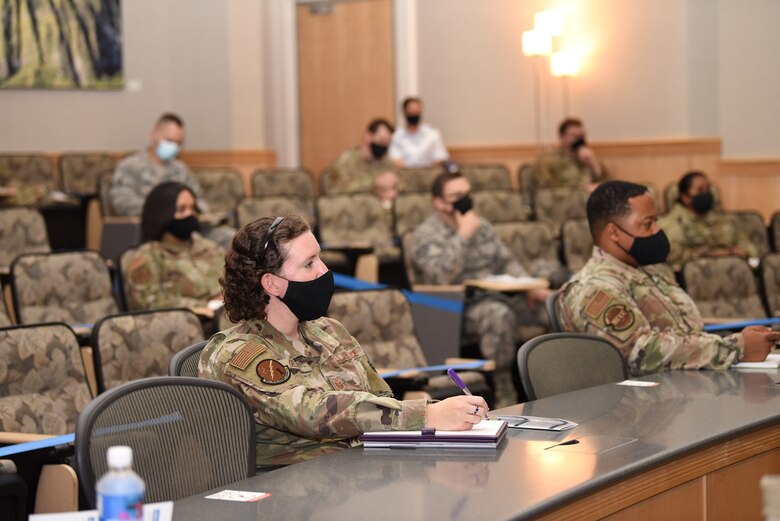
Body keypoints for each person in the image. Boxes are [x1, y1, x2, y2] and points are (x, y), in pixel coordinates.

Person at [199, 215, 488, 468]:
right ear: (272, 284)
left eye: (320, 258)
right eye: (309, 264)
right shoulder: (241, 353)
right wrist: (427, 414)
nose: (324, 271)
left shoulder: (329, 331)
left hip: (365, 470)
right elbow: (310, 413)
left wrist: (446, 418)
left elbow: (380, 398)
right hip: (298, 490)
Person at [558, 180, 778, 376]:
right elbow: (641, 352)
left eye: (656, 221)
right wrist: (735, 347)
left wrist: (739, 340)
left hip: (685, 389)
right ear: (614, 233)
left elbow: (687, 333)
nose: (657, 231)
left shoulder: (646, 272)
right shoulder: (593, 289)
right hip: (634, 411)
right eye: (647, 224)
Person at [409, 171, 551, 407]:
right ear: (439, 202)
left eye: (467, 194)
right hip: (456, 309)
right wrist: (463, 234)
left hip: (499, 295)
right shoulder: (425, 234)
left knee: (551, 308)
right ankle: (504, 387)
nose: (465, 199)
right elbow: (439, 275)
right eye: (457, 195)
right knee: (497, 315)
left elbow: (507, 261)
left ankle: (547, 382)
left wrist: (528, 286)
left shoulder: (482, 225)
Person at [125, 182, 225, 312]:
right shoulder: (148, 257)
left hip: (226, 319)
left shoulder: (211, 248)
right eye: (181, 209)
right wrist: (202, 306)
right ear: (162, 214)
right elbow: (147, 302)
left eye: (192, 208)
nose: (190, 214)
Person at [109, 113, 209, 217]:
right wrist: (166, 209)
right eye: (169, 140)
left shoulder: (181, 169)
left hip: (179, 228)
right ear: (154, 135)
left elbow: (200, 202)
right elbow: (122, 203)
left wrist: (187, 208)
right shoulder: (130, 166)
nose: (174, 146)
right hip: (143, 228)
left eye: (178, 143)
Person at [659, 171, 758, 270]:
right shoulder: (670, 224)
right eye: (700, 190)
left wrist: (742, 253)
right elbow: (673, 258)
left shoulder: (722, 220)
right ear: (685, 197)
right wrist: (710, 254)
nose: (706, 194)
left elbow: (748, 247)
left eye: (708, 189)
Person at [323, 118, 396, 195]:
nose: (383, 146)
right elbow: (337, 190)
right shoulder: (346, 160)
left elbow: (397, 180)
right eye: (382, 140)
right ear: (368, 136)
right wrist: (375, 183)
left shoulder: (385, 160)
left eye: (387, 143)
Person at [532, 117, 607, 190]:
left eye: (582, 136)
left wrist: (594, 164)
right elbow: (547, 190)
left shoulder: (587, 157)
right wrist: (582, 191)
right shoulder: (548, 160)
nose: (579, 141)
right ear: (562, 137)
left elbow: (605, 183)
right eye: (575, 136)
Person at [389, 97, 449, 168]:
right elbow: (395, 158)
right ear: (404, 112)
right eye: (411, 110)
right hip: (405, 173)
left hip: (429, 173)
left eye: (416, 110)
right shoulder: (397, 135)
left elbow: (440, 157)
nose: (414, 113)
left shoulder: (433, 134)